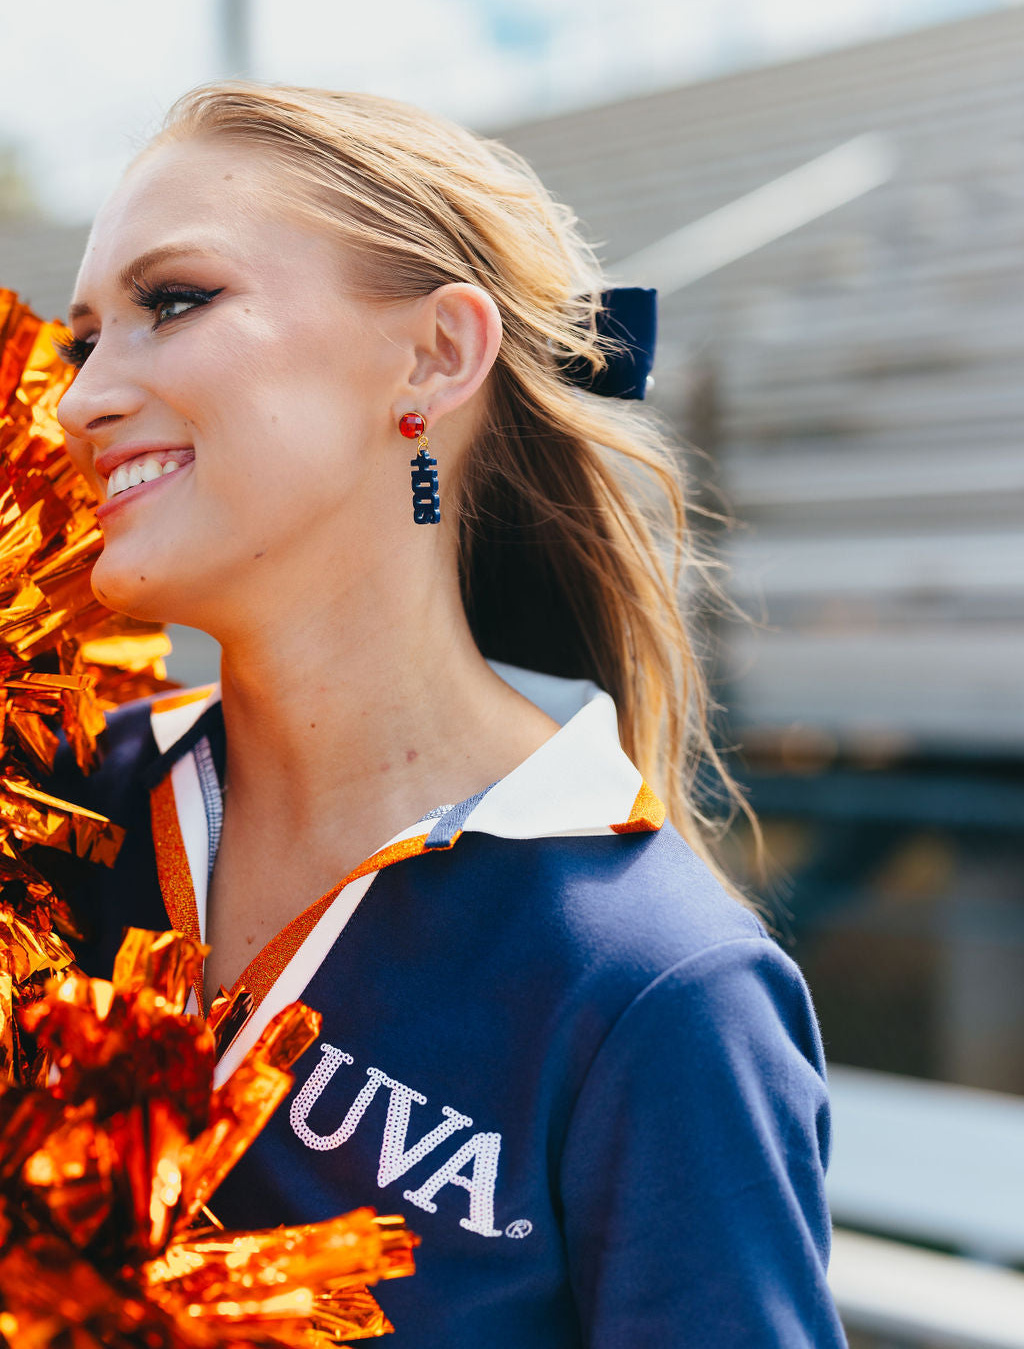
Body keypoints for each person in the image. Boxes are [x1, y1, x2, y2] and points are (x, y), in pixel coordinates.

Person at [47, 83, 847, 1347]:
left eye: (174, 301)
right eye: (85, 334)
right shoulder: (49, 805)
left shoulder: (654, 987)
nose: (77, 398)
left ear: (434, 355)